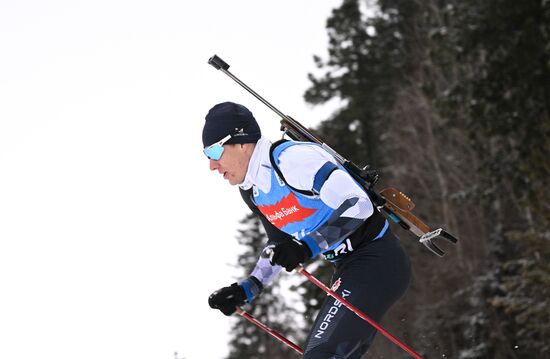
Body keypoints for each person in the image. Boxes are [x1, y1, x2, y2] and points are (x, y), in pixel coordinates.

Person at [204, 101, 411, 358]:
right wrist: (248, 288)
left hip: (376, 259)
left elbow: (359, 204)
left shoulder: (292, 160)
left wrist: (308, 246)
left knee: (321, 354)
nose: (212, 165)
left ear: (242, 142)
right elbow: (280, 247)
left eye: (213, 152)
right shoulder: (253, 191)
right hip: (349, 271)